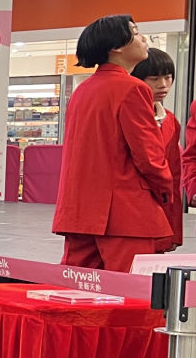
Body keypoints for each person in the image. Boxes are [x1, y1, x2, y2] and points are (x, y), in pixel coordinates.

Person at [52, 16, 175, 272]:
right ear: (116, 46)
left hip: (80, 212)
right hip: (125, 212)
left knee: (78, 289)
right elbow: (149, 156)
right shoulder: (133, 89)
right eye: (136, 32)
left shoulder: (83, 90)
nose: (144, 39)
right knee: (129, 290)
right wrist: (165, 192)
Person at [131, 47, 182, 251]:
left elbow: (174, 175)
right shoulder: (129, 114)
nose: (163, 85)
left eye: (168, 77)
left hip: (161, 208)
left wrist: (174, 229)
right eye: (154, 78)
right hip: (131, 209)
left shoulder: (170, 121)